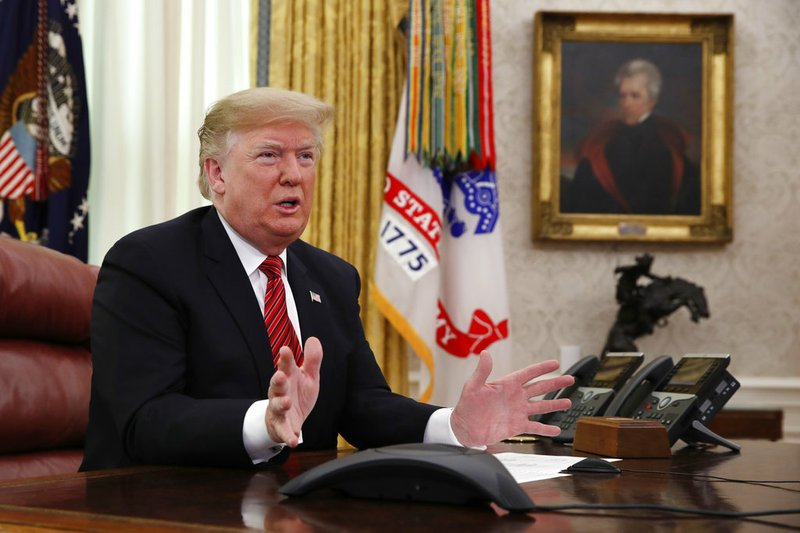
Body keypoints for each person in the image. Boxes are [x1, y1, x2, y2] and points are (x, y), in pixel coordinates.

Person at [80, 87, 574, 471]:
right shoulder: (149, 262)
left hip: (288, 508)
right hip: (155, 506)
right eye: (270, 155)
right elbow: (144, 421)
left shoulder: (331, 277)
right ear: (217, 174)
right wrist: (264, 423)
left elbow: (362, 405)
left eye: (306, 156)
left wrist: (452, 424)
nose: (294, 174)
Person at [561, 59, 700, 215]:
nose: (626, 104)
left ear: (652, 101)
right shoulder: (602, 139)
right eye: (622, 96)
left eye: (635, 96)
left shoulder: (669, 144)